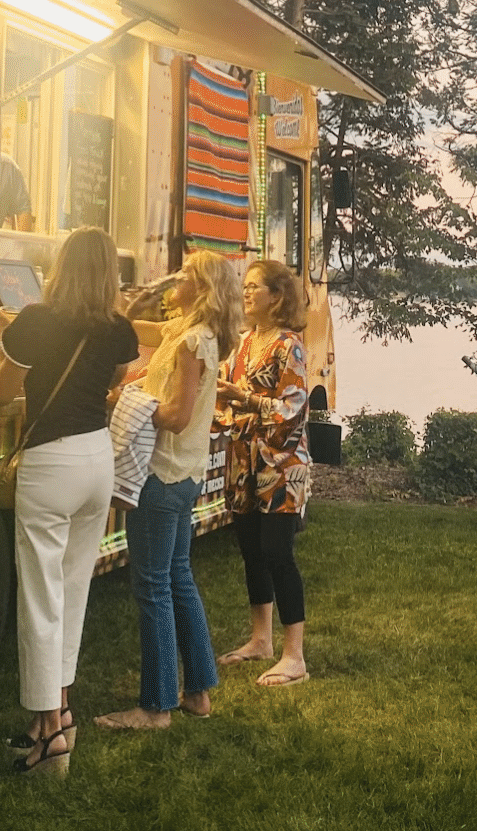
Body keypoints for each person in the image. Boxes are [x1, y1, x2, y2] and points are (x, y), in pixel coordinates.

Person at [0, 226, 140, 775]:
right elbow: (118, 376)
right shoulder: (118, 328)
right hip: (97, 459)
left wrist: (0, 346)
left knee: (40, 597)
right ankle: (59, 713)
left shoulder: (35, 319)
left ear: (61, 265)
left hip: (50, 462)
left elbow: (0, 391)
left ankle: (50, 730)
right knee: (73, 592)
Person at [96, 250, 241, 731]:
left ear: (202, 289)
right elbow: (143, 335)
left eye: (186, 275)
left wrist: (131, 402)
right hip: (186, 474)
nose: (175, 279)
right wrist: (129, 307)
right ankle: (197, 691)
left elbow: (177, 416)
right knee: (178, 576)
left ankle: (155, 707)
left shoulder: (192, 343)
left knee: (153, 585)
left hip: (161, 474)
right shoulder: (191, 333)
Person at [217, 258, 312, 687]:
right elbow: (222, 397)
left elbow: (292, 408)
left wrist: (246, 401)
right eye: (245, 285)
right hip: (244, 464)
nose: (246, 292)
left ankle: (295, 657)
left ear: (277, 297)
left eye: (255, 286)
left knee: (277, 554)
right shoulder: (242, 343)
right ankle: (261, 640)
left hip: (281, 467)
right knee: (251, 552)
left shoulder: (289, 346)